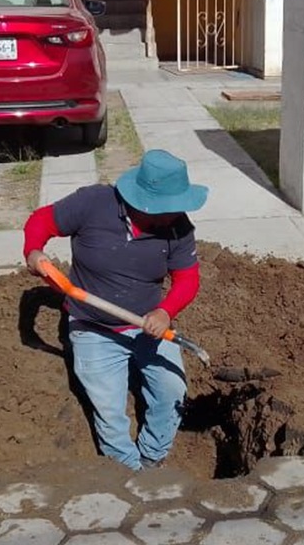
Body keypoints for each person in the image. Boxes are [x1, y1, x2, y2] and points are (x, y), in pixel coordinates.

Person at [23, 149, 207, 471]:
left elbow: (187, 279)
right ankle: (127, 473)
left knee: (172, 391)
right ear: (145, 201)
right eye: (169, 207)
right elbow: (41, 221)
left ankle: (152, 457)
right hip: (93, 328)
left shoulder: (178, 227)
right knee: (109, 411)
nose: (176, 213)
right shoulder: (93, 203)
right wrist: (34, 251)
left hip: (149, 325)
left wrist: (165, 311)